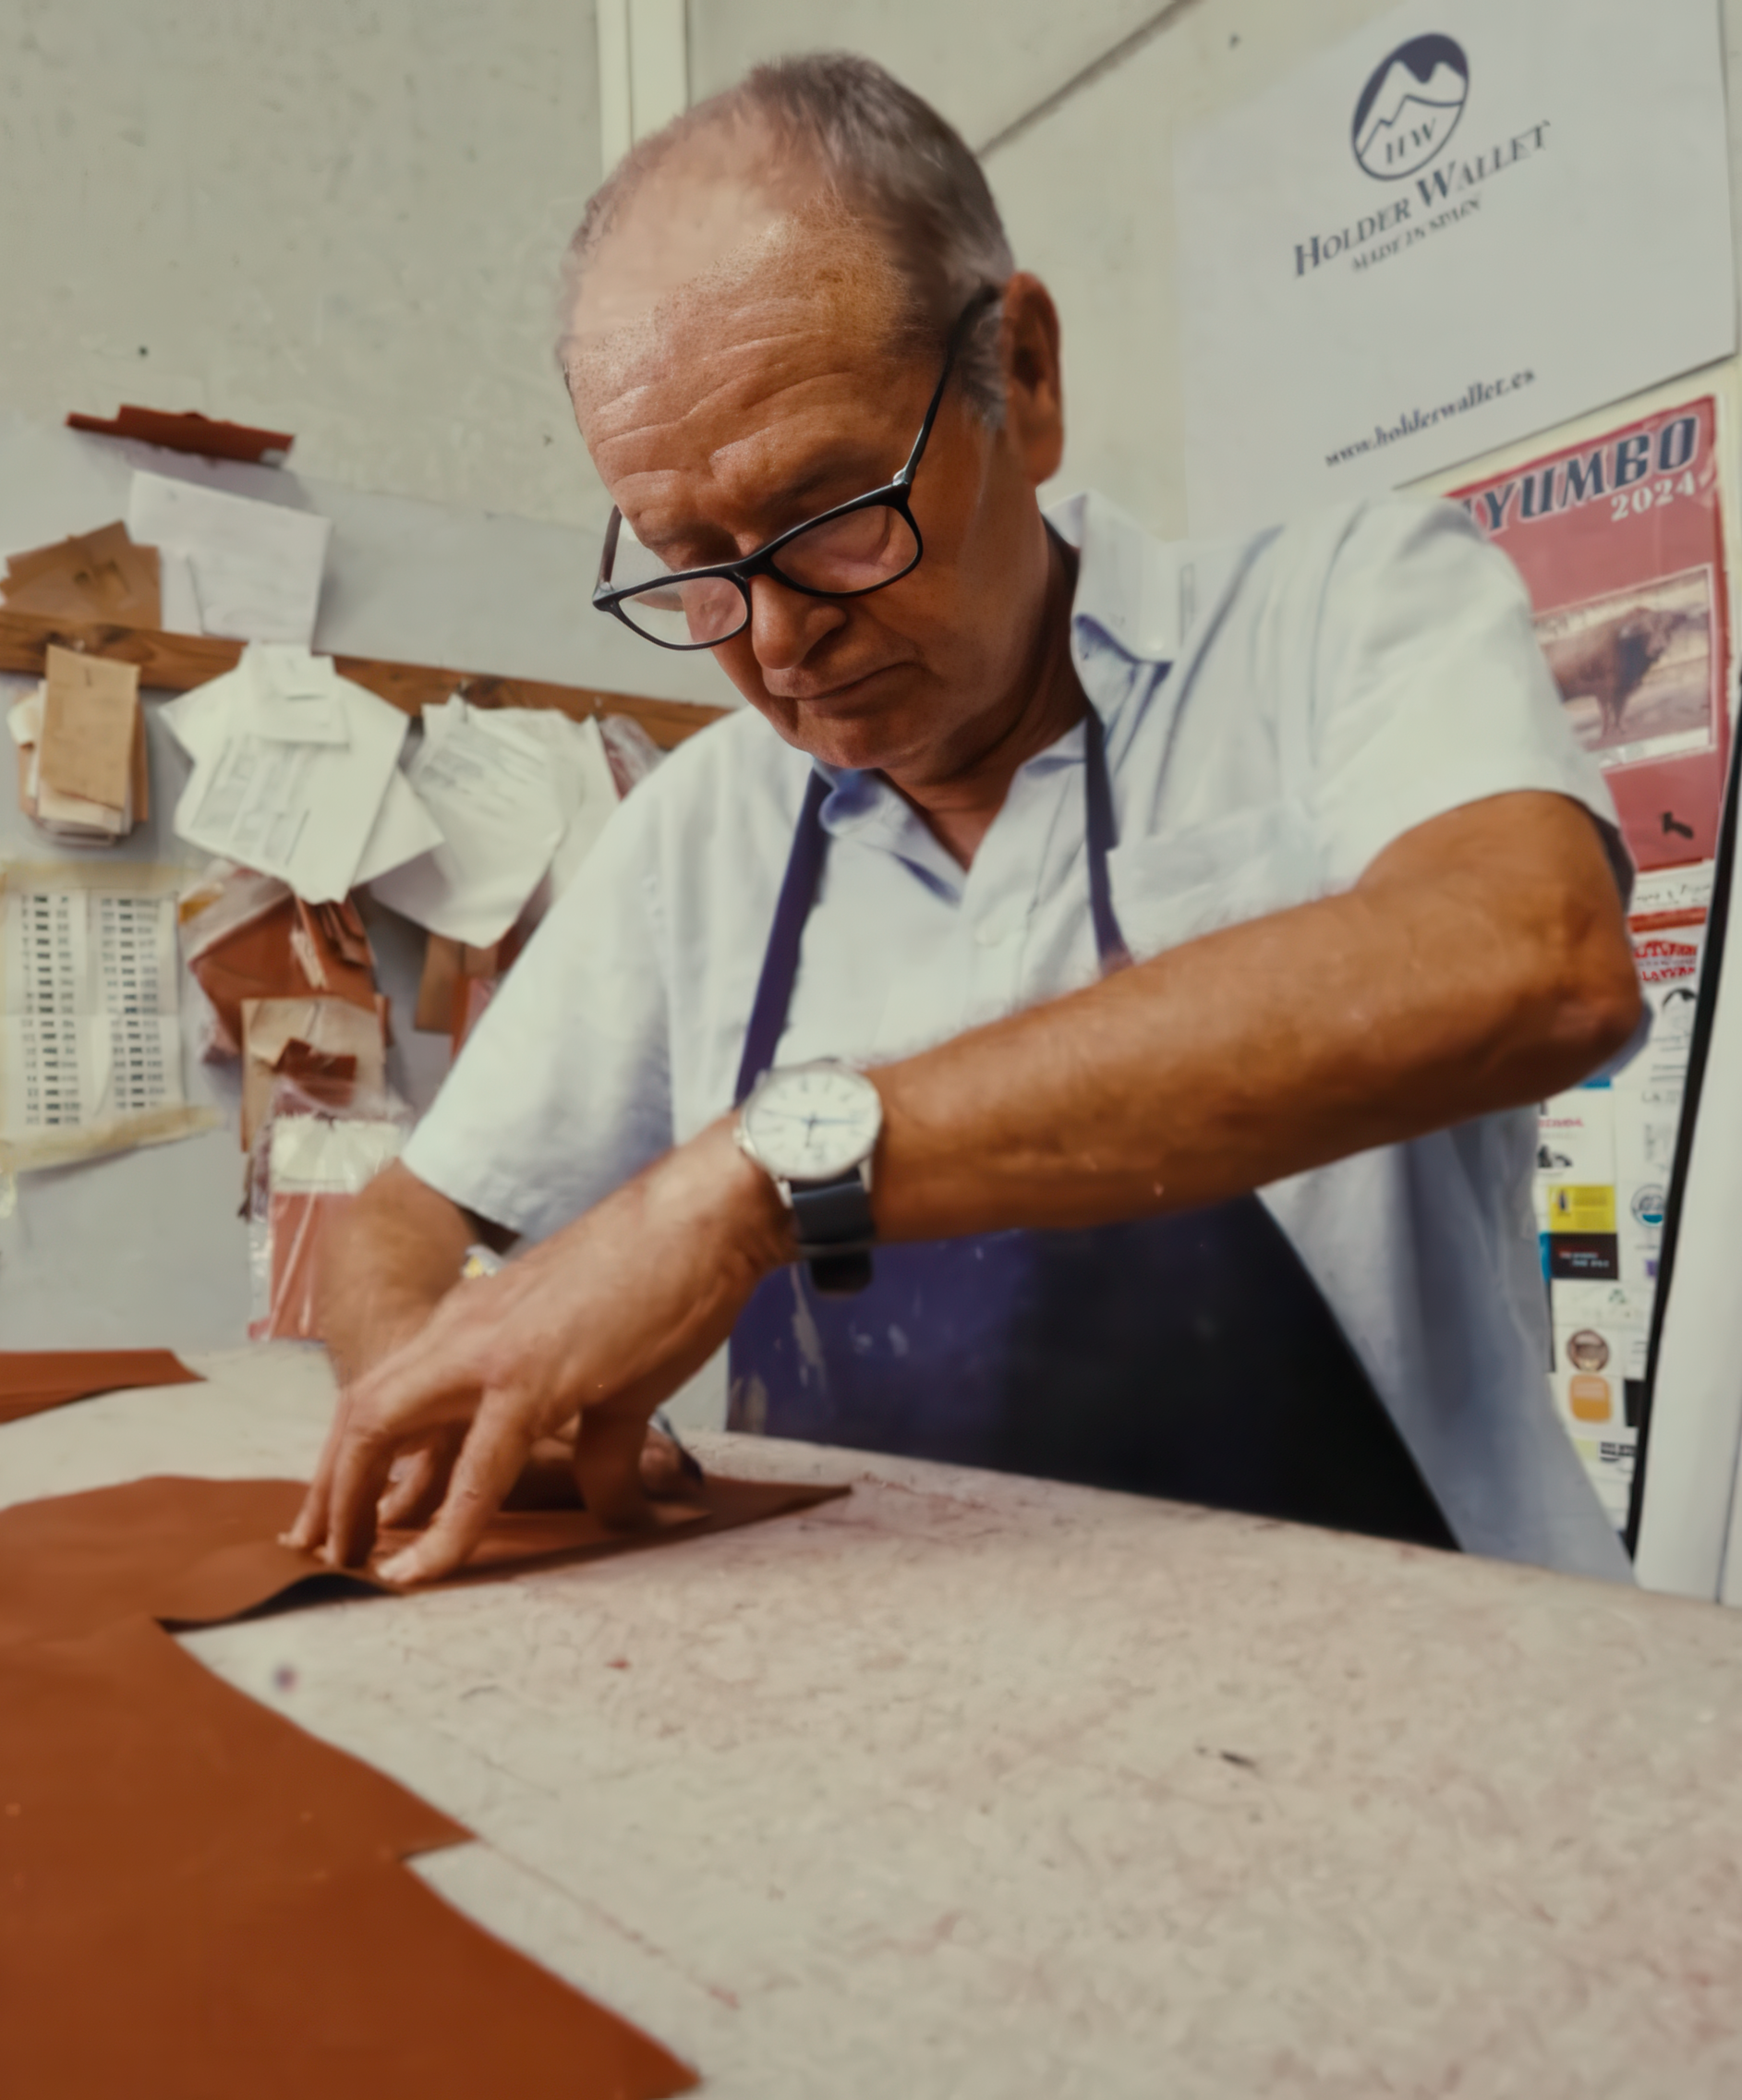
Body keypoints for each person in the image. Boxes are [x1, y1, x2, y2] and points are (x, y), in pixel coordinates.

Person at [289, 53, 1643, 1586]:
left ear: (1027, 374)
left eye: (833, 514)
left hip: (1417, 1673)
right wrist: (440, 1384)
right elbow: (402, 1224)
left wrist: (755, 1178)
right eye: (692, 566)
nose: (779, 637)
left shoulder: (1340, 617)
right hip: (914, 1709)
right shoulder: (701, 834)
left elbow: (1534, 959)